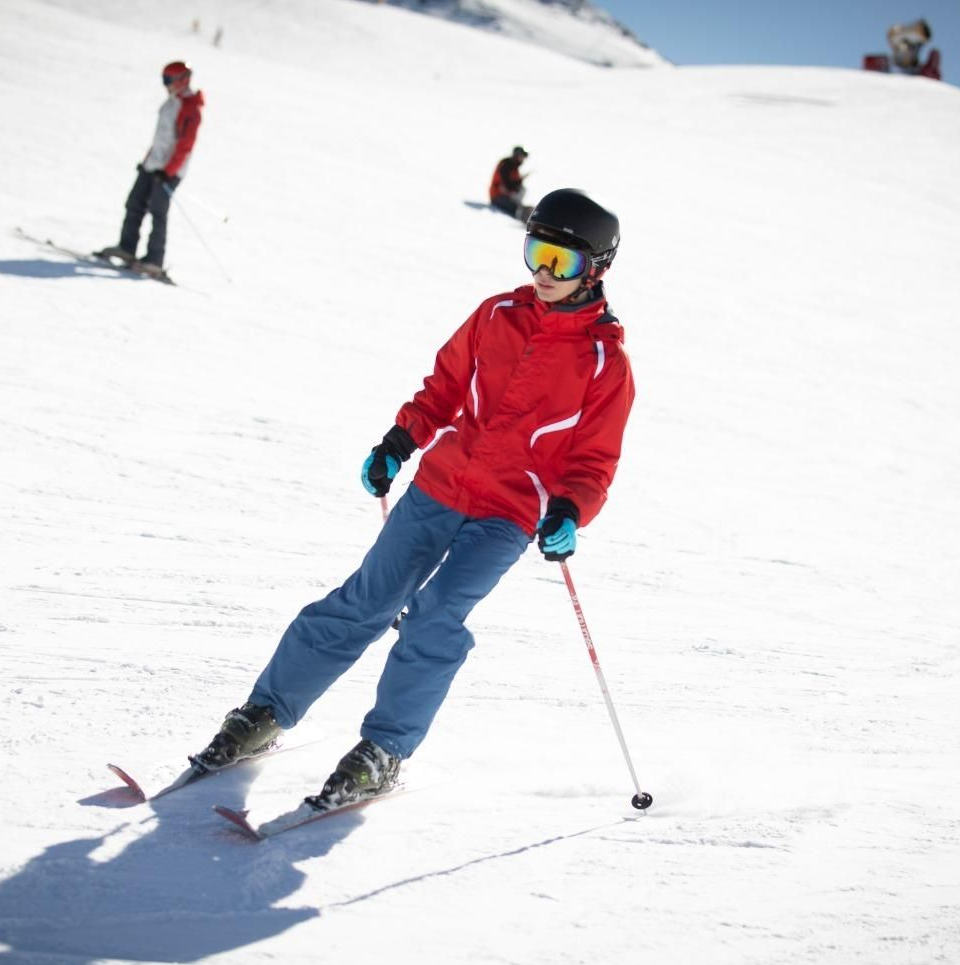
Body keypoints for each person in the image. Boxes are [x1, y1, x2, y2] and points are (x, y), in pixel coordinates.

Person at [191, 188, 636, 812]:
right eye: (536, 251)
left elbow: (594, 459)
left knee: (436, 616)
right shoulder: (496, 314)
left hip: (507, 515)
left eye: (561, 262)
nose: (543, 272)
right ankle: (265, 712)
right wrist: (399, 441)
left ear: (595, 269)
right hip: (439, 486)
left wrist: (569, 510)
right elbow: (444, 387)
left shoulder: (604, 361)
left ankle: (383, 751)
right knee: (365, 601)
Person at [96, 61, 203, 282]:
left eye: (168, 80)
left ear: (182, 80)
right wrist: (147, 161)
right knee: (134, 203)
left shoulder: (190, 108)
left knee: (157, 211)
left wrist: (168, 171)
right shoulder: (171, 103)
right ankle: (127, 248)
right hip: (152, 165)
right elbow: (161, 138)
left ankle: (154, 260)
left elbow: (185, 145)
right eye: (164, 79)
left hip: (169, 171)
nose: (165, 84)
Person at [488, 146, 531, 221]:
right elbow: (507, 185)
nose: (522, 159)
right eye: (521, 156)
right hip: (497, 197)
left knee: (523, 191)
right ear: (516, 155)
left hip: (507, 197)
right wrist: (516, 186)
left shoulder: (515, 168)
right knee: (516, 210)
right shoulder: (506, 165)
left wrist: (521, 180)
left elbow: (515, 185)